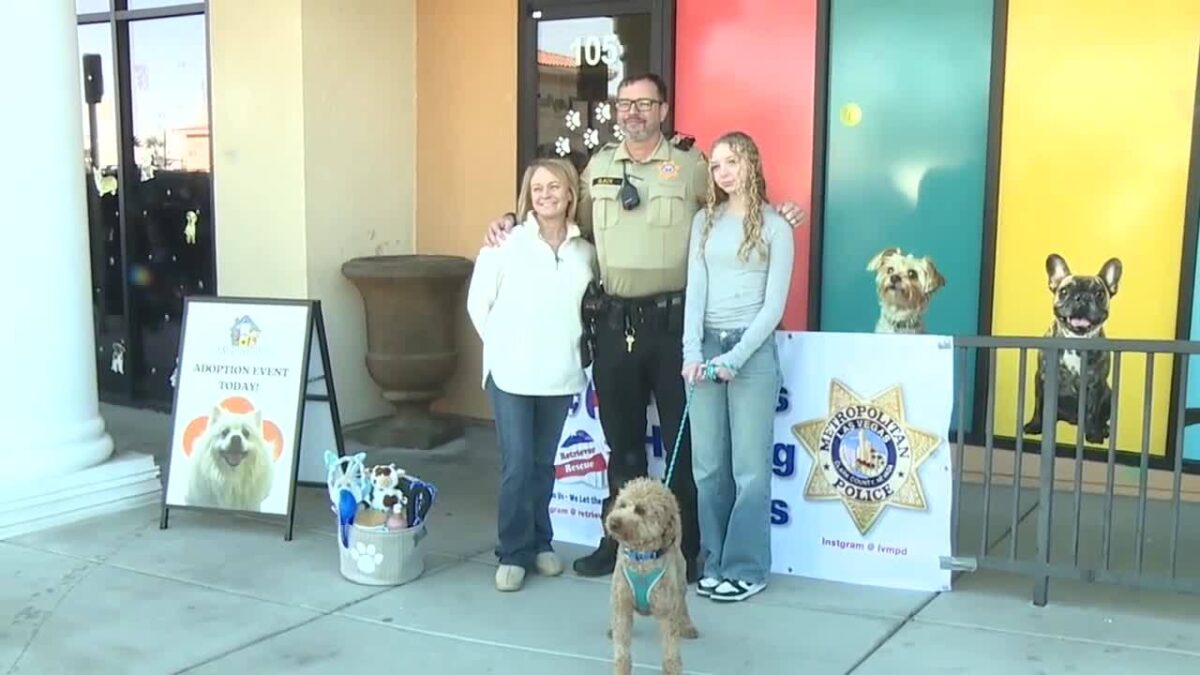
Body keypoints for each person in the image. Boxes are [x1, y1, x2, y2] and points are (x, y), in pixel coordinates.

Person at [484, 73, 807, 582]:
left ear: (663, 109)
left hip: (674, 325)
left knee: (687, 449)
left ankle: (686, 550)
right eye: (625, 103)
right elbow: (560, 211)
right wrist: (509, 215)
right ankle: (618, 545)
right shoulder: (598, 167)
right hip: (615, 324)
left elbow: (734, 207)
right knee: (624, 443)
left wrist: (783, 211)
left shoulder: (693, 165)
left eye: (644, 103)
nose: (633, 111)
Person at [466, 158, 598, 592]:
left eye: (554, 186)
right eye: (537, 187)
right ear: (527, 195)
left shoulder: (585, 251)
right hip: (510, 374)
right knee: (517, 464)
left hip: (559, 373)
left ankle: (542, 542)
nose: (546, 195)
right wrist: (504, 347)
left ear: (570, 194)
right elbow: (477, 304)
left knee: (544, 465)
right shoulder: (506, 244)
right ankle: (513, 551)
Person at [681, 131, 793, 602]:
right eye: (717, 165)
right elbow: (695, 290)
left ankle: (747, 568)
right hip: (706, 349)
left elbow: (774, 306)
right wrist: (692, 353)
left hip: (751, 354)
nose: (724, 172)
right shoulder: (703, 222)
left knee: (749, 469)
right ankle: (715, 561)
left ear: (752, 163)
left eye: (733, 162)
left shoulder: (775, 226)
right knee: (708, 468)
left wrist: (735, 358)